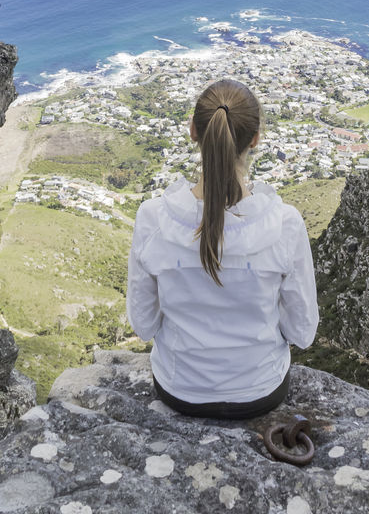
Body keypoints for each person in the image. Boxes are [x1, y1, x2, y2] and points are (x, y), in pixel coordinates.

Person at [126, 77, 319, 418]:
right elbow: (301, 333)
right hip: (261, 390)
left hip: (178, 388)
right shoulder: (285, 224)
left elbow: (143, 326)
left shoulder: (153, 218)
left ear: (193, 132)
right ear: (256, 139)